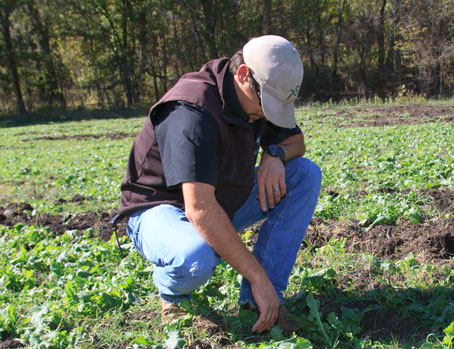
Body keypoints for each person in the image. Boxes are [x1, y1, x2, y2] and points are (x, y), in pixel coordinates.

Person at [114, 35, 321, 333]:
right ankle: (172, 293)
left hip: (219, 195)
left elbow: (295, 141)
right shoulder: (191, 113)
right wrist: (256, 276)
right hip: (160, 208)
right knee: (195, 257)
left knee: (304, 175)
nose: (267, 115)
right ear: (243, 75)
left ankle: (261, 301)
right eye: (266, 105)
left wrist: (275, 154)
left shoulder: (257, 95)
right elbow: (200, 210)